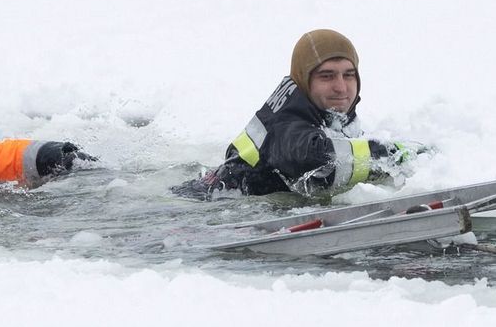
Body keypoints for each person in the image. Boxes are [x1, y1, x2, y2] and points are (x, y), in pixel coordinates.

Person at [173, 29, 425, 200]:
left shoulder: (321, 109)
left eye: (349, 75)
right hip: (202, 209)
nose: (341, 87)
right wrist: (392, 156)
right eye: (327, 76)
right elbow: (315, 157)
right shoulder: (288, 124)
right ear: (304, 80)